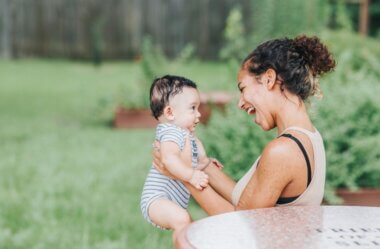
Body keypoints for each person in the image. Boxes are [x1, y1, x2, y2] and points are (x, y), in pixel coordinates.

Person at [152, 35, 336, 216]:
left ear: (269, 79)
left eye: (243, 88)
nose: (240, 103)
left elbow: (240, 223)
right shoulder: (310, 136)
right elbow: (248, 203)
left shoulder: (283, 151)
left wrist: (183, 177)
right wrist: (203, 165)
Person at [140, 75, 219, 243]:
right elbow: (168, 160)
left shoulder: (185, 133)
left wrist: (206, 163)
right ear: (170, 112)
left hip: (169, 199)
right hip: (156, 198)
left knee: (188, 225)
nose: (198, 114)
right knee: (182, 220)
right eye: (193, 108)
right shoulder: (170, 132)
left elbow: (195, 156)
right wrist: (191, 176)